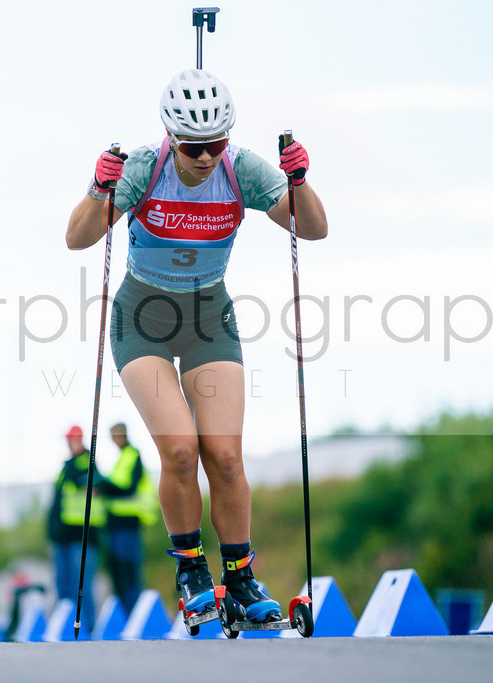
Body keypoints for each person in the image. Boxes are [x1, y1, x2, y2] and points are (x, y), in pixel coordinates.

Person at [66, 69, 327, 622]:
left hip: (209, 315)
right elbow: (78, 238)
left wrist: (300, 183)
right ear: (171, 136)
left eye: (217, 144)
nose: (206, 157)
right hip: (142, 318)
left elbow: (314, 229)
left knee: (226, 456)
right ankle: (190, 568)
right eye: (194, 146)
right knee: (181, 449)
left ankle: (242, 578)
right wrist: (99, 187)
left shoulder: (240, 171)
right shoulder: (144, 169)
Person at [95, 423, 159, 615]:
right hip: (115, 523)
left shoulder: (133, 456)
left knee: (128, 571)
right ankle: (125, 614)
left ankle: (135, 614)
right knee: (117, 572)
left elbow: (128, 488)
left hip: (128, 523)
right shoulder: (122, 458)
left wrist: (105, 487)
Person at [48, 425, 104, 633]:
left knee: (81, 585)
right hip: (62, 536)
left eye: (72, 440)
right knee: (63, 583)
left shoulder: (87, 463)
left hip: (82, 536)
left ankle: (87, 627)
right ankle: (65, 625)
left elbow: (91, 488)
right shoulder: (67, 466)